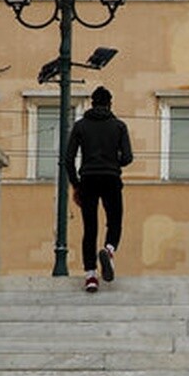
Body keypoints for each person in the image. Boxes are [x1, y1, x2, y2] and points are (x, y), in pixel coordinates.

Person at [64, 85, 134, 293]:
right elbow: (128, 158)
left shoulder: (80, 126)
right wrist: (113, 161)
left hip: (88, 179)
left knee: (90, 227)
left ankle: (91, 276)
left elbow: (68, 159)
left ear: (91, 103)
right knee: (115, 220)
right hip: (111, 178)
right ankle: (109, 250)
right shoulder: (119, 126)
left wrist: (76, 185)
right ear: (109, 103)